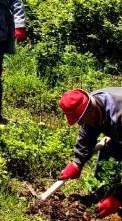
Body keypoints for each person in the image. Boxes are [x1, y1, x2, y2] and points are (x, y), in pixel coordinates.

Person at [57, 88, 122, 218]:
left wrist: (118, 197)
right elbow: (87, 133)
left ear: (91, 109)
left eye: (81, 120)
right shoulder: (91, 104)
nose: (81, 124)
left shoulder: (118, 116)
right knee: (108, 147)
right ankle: (101, 193)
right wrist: (78, 162)